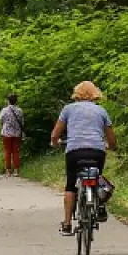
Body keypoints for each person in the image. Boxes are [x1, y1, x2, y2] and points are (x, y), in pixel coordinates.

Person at [51, 81, 116, 234]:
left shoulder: (68, 109)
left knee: (70, 185)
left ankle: (67, 224)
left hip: (75, 152)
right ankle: (99, 205)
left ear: (77, 94)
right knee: (97, 177)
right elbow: (112, 140)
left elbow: (55, 134)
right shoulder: (101, 111)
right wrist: (109, 146)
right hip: (96, 152)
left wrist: (55, 143)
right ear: (95, 94)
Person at [0, 93, 25, 175]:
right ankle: (16, 171)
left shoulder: (4, 110)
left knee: (7, 151)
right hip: (17, 133)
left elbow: (1, 120)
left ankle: (8, 171)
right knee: (16, 151)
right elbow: (22, 123)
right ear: (16, 101)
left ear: (8, 101)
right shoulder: (20, 110)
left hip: (6, 133)